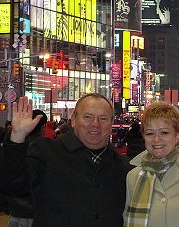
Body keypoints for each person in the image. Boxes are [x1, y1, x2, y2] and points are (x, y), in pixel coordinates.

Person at [0, 94, 132, 227]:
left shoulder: (124, 167)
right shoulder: (46, 152)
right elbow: (14, 185)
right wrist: (17, 136)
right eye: (88, 117)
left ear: (111, 123)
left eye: (103, 119)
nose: (95, 124)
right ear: (73, 120)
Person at [5, 109, 47, 227]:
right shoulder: (46, 148)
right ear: (43, 126)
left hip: (16, 209)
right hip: (34, 210)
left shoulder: (13, 146)